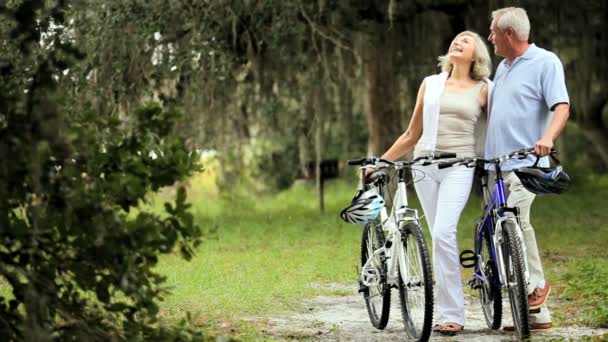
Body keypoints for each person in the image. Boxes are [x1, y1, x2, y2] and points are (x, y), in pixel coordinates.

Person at [366, 30, 492, 335]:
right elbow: (412, 134)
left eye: (466, 40)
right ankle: (448, 309)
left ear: (477, 55)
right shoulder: (430, 84)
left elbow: (497, 128)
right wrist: (381, 161)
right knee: (438, 238)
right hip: (423, 167)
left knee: (443, 231)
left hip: (458, 166)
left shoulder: (485, 88)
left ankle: (453, 314)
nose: (457, 42)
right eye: (455, 39)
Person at [486, 7, 570, 331]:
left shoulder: (545, 62)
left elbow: (561, 106)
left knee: (517, 221)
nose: (490, 37)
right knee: (501, 233)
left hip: (526, 164)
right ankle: (537, 315)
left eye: (493, 31)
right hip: (495, 166)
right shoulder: (502, 68)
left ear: (509, 33)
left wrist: (547, 136)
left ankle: (536, 284)